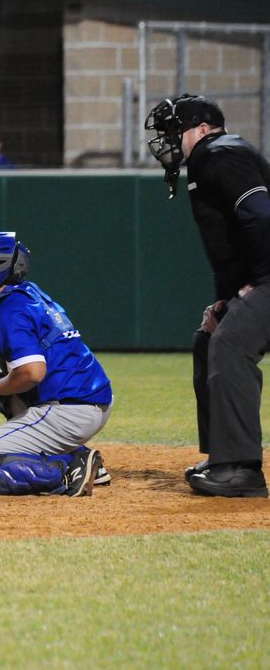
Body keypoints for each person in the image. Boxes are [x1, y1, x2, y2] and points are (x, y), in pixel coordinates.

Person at [144, 94, 270, 497]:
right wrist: (227, 300)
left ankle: (244, 471)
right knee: (212, 338)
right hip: (260, 277)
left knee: (230, 346)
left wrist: (263, 277)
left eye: (174, 132)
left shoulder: (220, 153)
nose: (169, 142)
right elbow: (227, 246)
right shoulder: (211, 158)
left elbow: (262, 214)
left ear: (201, 129)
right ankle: (224, 456)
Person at [0, 231, 113, 497]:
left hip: (69, 410)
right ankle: (78, 454)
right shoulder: (29, 294)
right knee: (8, 388)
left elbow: (32, 372)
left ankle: (70, 467)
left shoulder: (9, 309)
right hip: (90, 400)